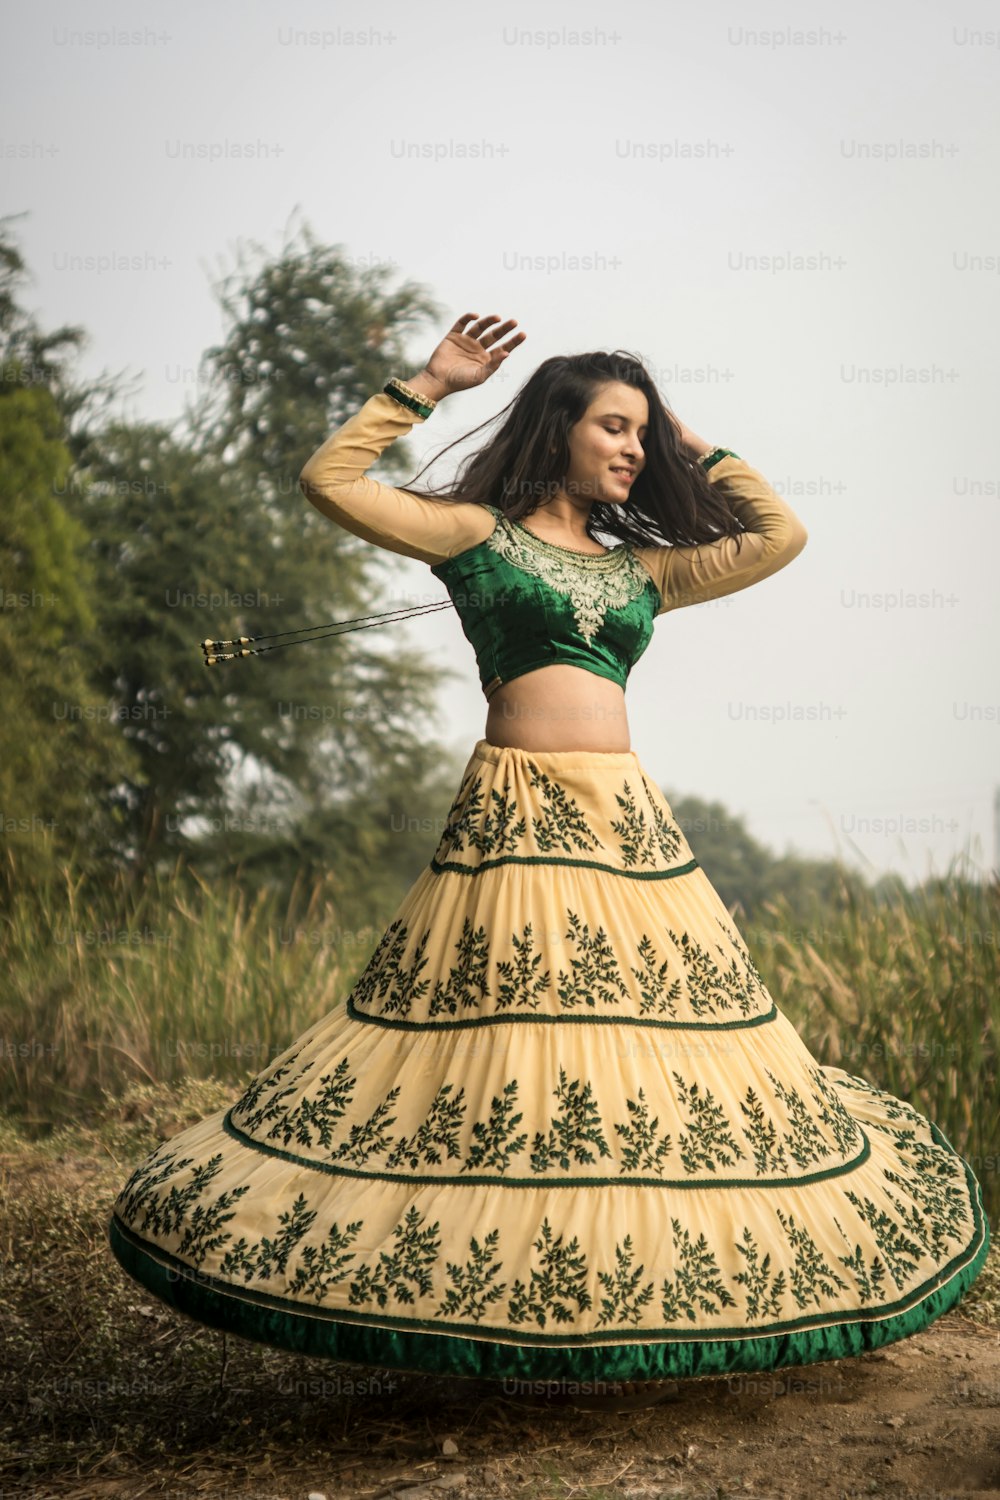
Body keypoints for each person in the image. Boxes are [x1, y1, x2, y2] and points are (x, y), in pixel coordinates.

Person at [108, 313, 990, 1413]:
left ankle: (631, 1302)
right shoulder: (474, 533)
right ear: (557, 429)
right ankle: (492, 1315)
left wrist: (685, 435)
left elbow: (778, 537)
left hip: (630, 838)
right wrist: (426, 383)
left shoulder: (643, 573)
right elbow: (330, 481)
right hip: (515, 825)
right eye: (611, 426)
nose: (629, 446)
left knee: (658, 1067)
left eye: (638, 431)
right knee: (509, 1066)